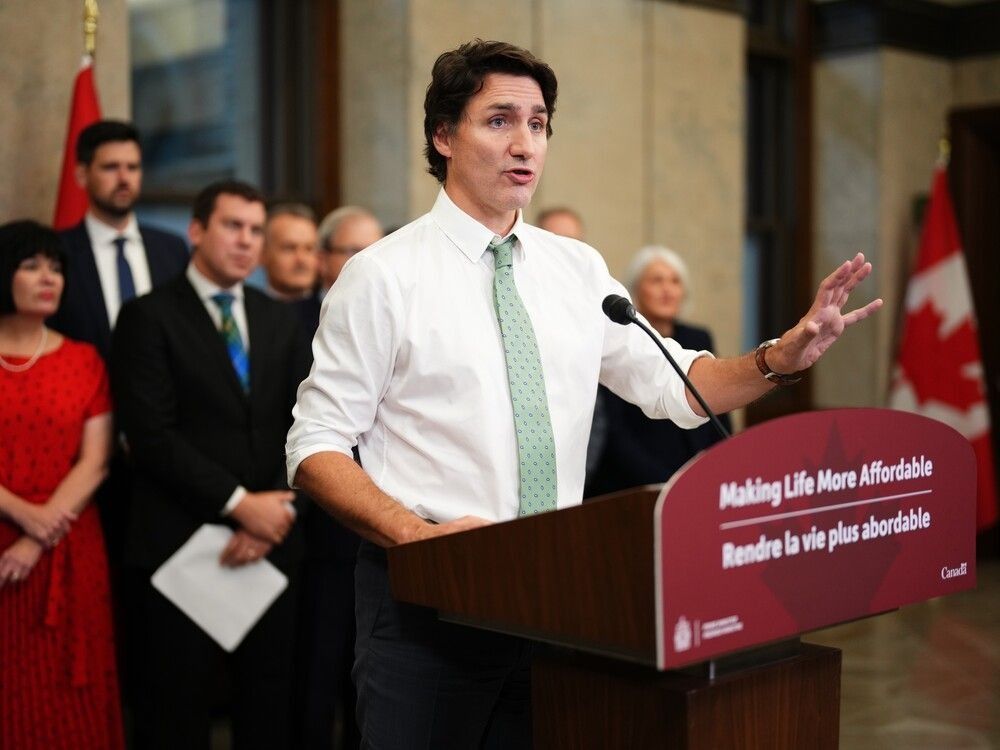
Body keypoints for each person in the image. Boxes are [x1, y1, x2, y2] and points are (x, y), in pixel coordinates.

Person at [285, 39, 881, 747]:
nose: (525, 143)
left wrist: (779, 358)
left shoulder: (576, 269)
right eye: (499, 120)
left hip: (555, 596)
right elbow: (314, 445)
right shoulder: (382, 275)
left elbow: (677, 385)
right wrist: (421, 539)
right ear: (443, 136)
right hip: (427, 600)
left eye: (538, 123)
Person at [111, 181, 311, 750]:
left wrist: (274, 507)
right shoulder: (148, 317)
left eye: (255, 230)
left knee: (268, 713)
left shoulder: (279, 320)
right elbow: (151, 438)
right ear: (197, 231)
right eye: (232, 226)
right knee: (174, 715)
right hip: (179, 546)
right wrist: (240, 506)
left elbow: (305, 423)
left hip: (274, 544)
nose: (246, 241)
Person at [0, 220, 124, 749]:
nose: (47, 277)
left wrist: (40, 531)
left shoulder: (83, 358)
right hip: (5, 542)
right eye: (31, 265)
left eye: (55, 267)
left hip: (69, 547)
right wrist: (22, 516)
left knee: (71, 697)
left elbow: (95, 462)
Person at [261, 201, 361, 749]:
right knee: (312, 677)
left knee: (367, 682)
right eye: (350, 250)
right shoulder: (290, 321)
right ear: (325, 260)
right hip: (312, 525)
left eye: (373, 247)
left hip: (384, 525)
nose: (363, 260)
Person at [586, 245, 732, 497]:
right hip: (634, 486)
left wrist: (717, 471)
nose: (667, 290)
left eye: (675, 281)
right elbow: (614, 431)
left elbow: (717, 409)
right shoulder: (617, 341)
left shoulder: (698, 338)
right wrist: (667, 485)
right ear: (635, 290)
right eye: (656, 281)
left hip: (698, 481)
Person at [50, 119, 189, 361]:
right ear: (82, 175)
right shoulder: (57, 252)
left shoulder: (172, 249)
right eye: (111, 167)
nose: (124, 178)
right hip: (87, 391)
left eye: (133, 167)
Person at [261, 202, 323, 334]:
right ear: (263, 254)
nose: (301, 259)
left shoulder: (331, 315)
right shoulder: (246, 316)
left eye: (309, 248)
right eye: (289, 248)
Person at [315, 206, 383, 295]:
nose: (367, 261)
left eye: (375, 252)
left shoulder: (395, 307)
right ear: (323, 260)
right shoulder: (298, 308)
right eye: (354, 252)